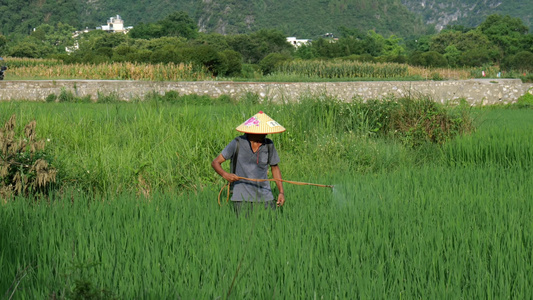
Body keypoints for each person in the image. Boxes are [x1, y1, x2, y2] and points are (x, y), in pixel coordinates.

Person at [211, 111, 285, 215]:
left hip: (265, 196)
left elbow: (275, 168)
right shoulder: (237, 143)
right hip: (242, 198)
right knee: (244, 228)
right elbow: (215, 162)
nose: (263, 136)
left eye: (265, 133)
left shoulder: (268, 145)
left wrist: (281, 192)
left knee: (270, 225)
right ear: (250, 132)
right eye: (260, 134)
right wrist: (225, 175)